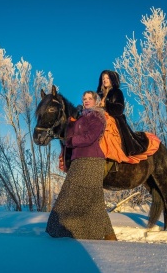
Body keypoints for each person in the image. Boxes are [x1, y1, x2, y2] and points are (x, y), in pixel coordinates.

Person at [46, 91, 117, 240]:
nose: (86, 101)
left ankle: (66, 231)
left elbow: (90, 137)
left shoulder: (98, 116)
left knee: (72, 195)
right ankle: (108, 235)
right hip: (78, 159)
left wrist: (70, 141)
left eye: (90, 98)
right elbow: (68, 133)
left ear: (96, 101)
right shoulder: (80, 118)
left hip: (92, 160)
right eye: (84, 98)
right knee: (94, 199)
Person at [97, 70, 149, 157]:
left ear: (112, 80)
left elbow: (119, 109)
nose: (105, 80)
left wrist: (106, 105)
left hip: (113, 120)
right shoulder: (98, 95)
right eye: (103, 78)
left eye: (107, 78)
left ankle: (113, 156)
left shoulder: (117, 92)